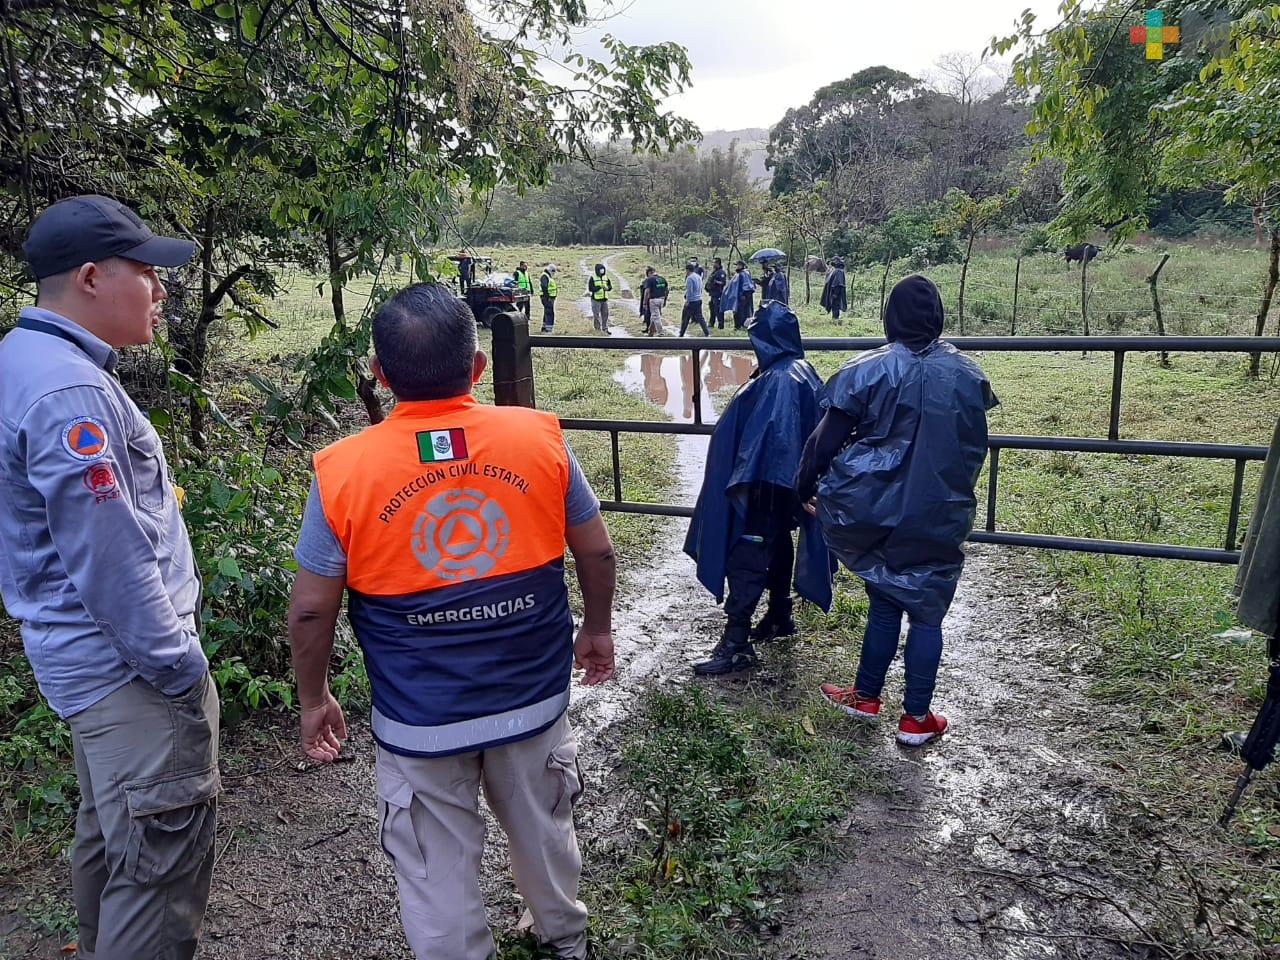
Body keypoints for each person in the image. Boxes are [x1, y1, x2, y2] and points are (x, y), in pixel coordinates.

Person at [288, 282, 617, 960]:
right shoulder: (540, 439)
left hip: (420, 719)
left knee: (434, 867)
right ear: (476, 368)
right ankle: (566, 941)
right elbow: (597, 548)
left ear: (379, 375)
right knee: (544, 828)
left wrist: (314, 697)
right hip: (532, 700)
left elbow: (314, 605)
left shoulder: (342, 472)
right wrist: (597, 628)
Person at [0, 196, 218, 959]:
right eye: (147, 274)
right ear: (92, 277)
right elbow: (111, 557)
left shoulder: (23, 361)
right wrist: (178, 666)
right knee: (157, 869)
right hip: (128, 675)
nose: (160, 292)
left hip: (85, 669)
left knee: (112, 835)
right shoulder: (71, 392)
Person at [796, 275, 998, 746]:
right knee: (927, 611)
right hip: (941, 508)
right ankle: (915, 718)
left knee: (885, 597)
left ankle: (867, 697)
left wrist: (803, 486)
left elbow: (822, 441)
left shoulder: (867, 370)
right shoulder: (968, 374)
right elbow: (970, 444)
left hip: (876, 509)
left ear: (890, 317)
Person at [684, 301, 833, 674]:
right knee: (778, 538)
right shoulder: (799, 371)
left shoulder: (780, 379)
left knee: (749, 548)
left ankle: (737, 641)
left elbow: (771, 440)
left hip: (767, 477)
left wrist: (751, 479)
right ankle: (780, 613)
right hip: (785, 480)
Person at [722, 259, 755, 330]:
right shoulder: (738, 274)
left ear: (741, 265)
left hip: (743, 296)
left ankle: (740, 325)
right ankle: (739, 325)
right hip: (738, 296)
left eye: (737, 265)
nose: (736, 267)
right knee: (738, 311)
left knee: (741, 311)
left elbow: (747, 286)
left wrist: (743, 295)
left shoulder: (744, 274)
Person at [679, 260, 709, 337]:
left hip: (692, 301)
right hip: (698, 299)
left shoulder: (689, 278)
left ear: (687, 270)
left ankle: (681, 334)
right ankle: (707, 332)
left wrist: (687, 301)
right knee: (700, 318)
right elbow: (701, 288)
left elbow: (690, 291)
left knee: (685, 318)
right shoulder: (698, 277)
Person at [639, 266, 669, 336]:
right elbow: (667, 290)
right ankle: (651, 332)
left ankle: (661, 333)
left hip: (653, 300)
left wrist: (644, 303)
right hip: (662, 299)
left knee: (656, 317)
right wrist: (665, 300)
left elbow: (647, 291)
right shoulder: (662, 279)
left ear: (649, 273)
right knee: (654, 316)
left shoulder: (650, 279)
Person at [587, 263, 612, 332]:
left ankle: (605, 328)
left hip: (604, 299)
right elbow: (590, 288)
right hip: (596, 300)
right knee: (596, 315)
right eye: (601, 270)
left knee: (605, 314)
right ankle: (597, 329)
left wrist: (607, 288)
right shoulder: (593, 278)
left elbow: (610, 287)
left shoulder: (606, 278)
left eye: (603, 270)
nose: (602, 271)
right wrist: (599, 287)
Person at [706, 257, 728, 330]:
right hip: (712, 294)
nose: (713, 264)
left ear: (718, 263)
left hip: (718, 294)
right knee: (712, 309)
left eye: (715, 262)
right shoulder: (714, 272)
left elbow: (723, 283)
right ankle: (711, 323)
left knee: (718, 310)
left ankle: (721, 325)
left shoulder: (721, 272)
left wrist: (716, 282)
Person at [540, 264, 558, 332]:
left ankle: (544, 327)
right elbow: (544, 287)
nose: (553, 273)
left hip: (549, 298)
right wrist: (548, 298)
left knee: (547, 312)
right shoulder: (545, 276)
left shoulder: (547, 276)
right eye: (553, 271)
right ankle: (549, 329)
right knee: (549, 313)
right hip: (547, 298)